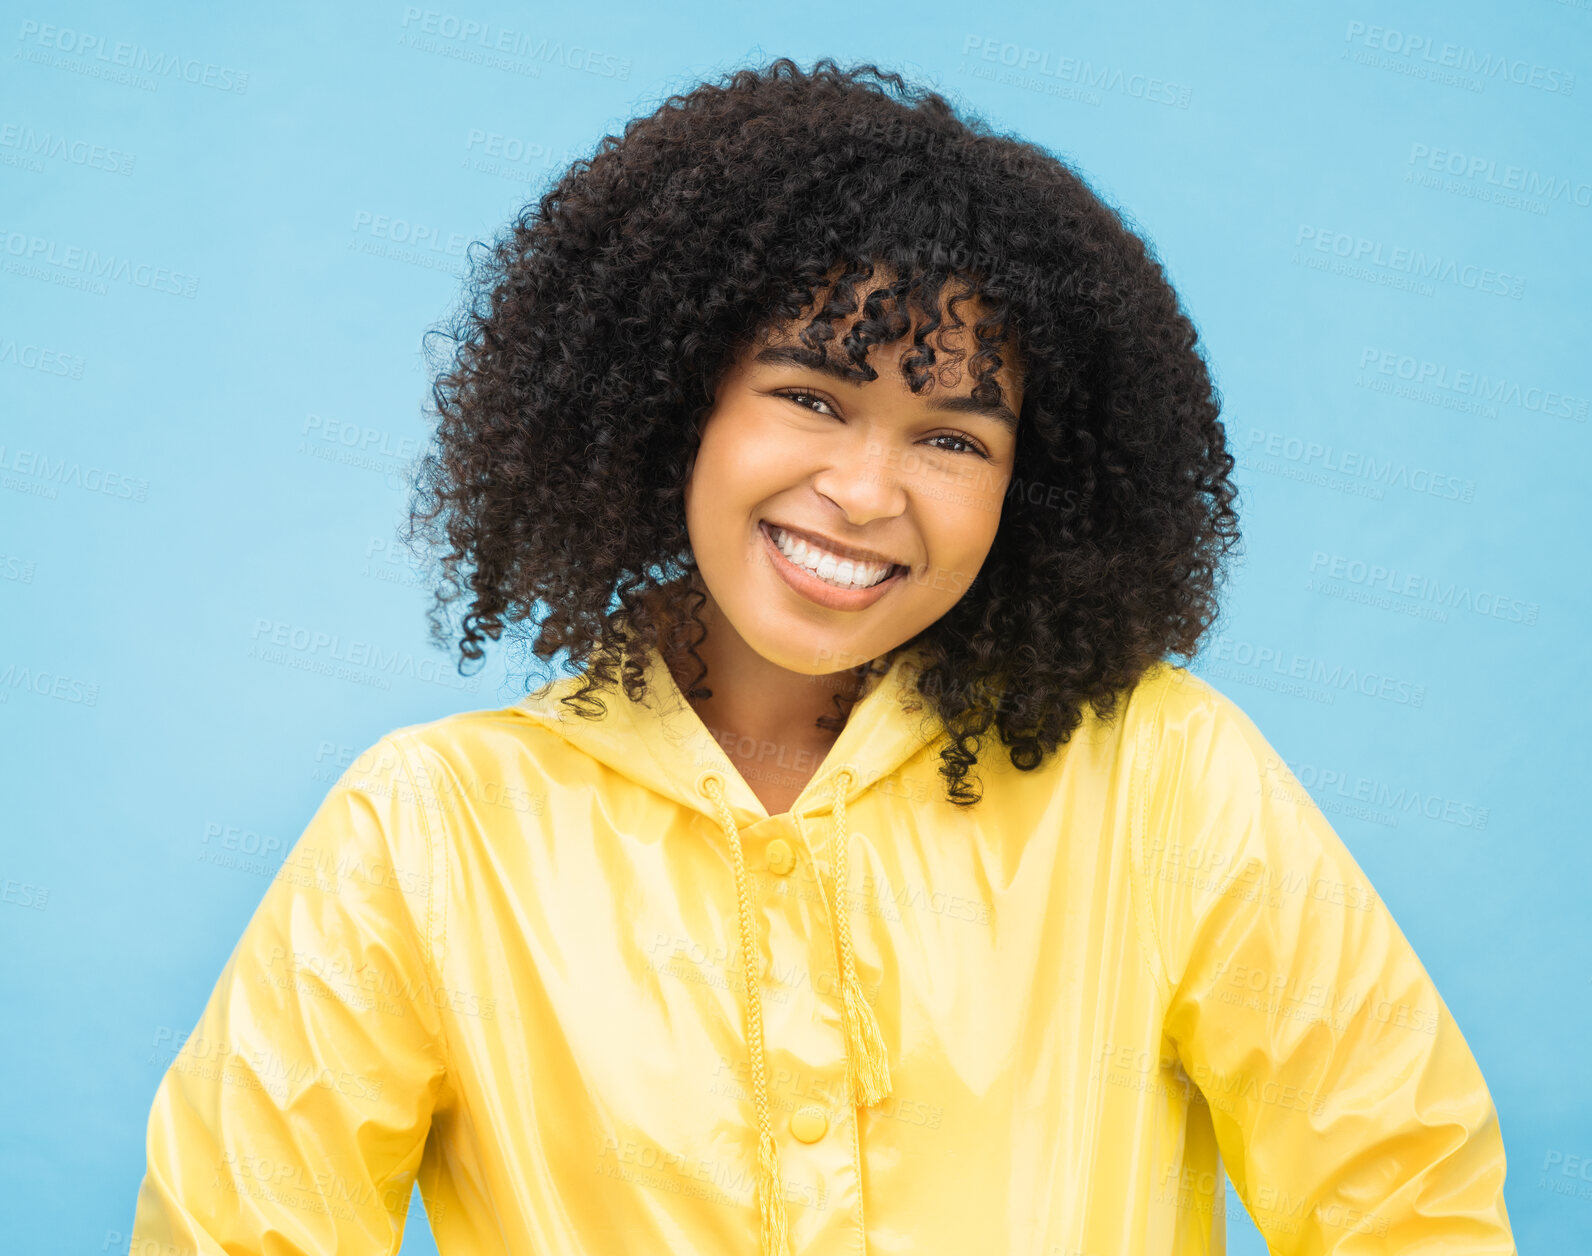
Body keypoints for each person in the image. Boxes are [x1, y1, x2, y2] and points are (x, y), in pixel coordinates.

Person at [130, 57, 1516, 1255]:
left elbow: (1407, 1197)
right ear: (682, 402)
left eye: (955, 437)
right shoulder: (429, 839)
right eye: (810, 395)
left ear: (1032, 485)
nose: (865, 491)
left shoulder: (1165, 780)